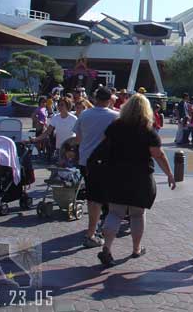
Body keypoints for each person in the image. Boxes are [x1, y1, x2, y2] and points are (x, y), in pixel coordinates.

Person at [97, 94, 176, 267]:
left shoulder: (115, 126)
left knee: (114, 213)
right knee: (137, 214)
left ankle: (107, 248)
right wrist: (170, 174)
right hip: (140, 178)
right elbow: (158, 155)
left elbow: (103, 145)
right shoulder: (148, 131)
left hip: (116, 175)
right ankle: (136, 249)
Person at [73, 86, 119, 248]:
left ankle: (92, 230)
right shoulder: (115, 116)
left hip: (86, 161)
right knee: (107, 198)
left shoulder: (84, 114)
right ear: (109, 99)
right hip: (106, 162)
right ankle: (97, 231)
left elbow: (77, 139)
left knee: (93, 198)